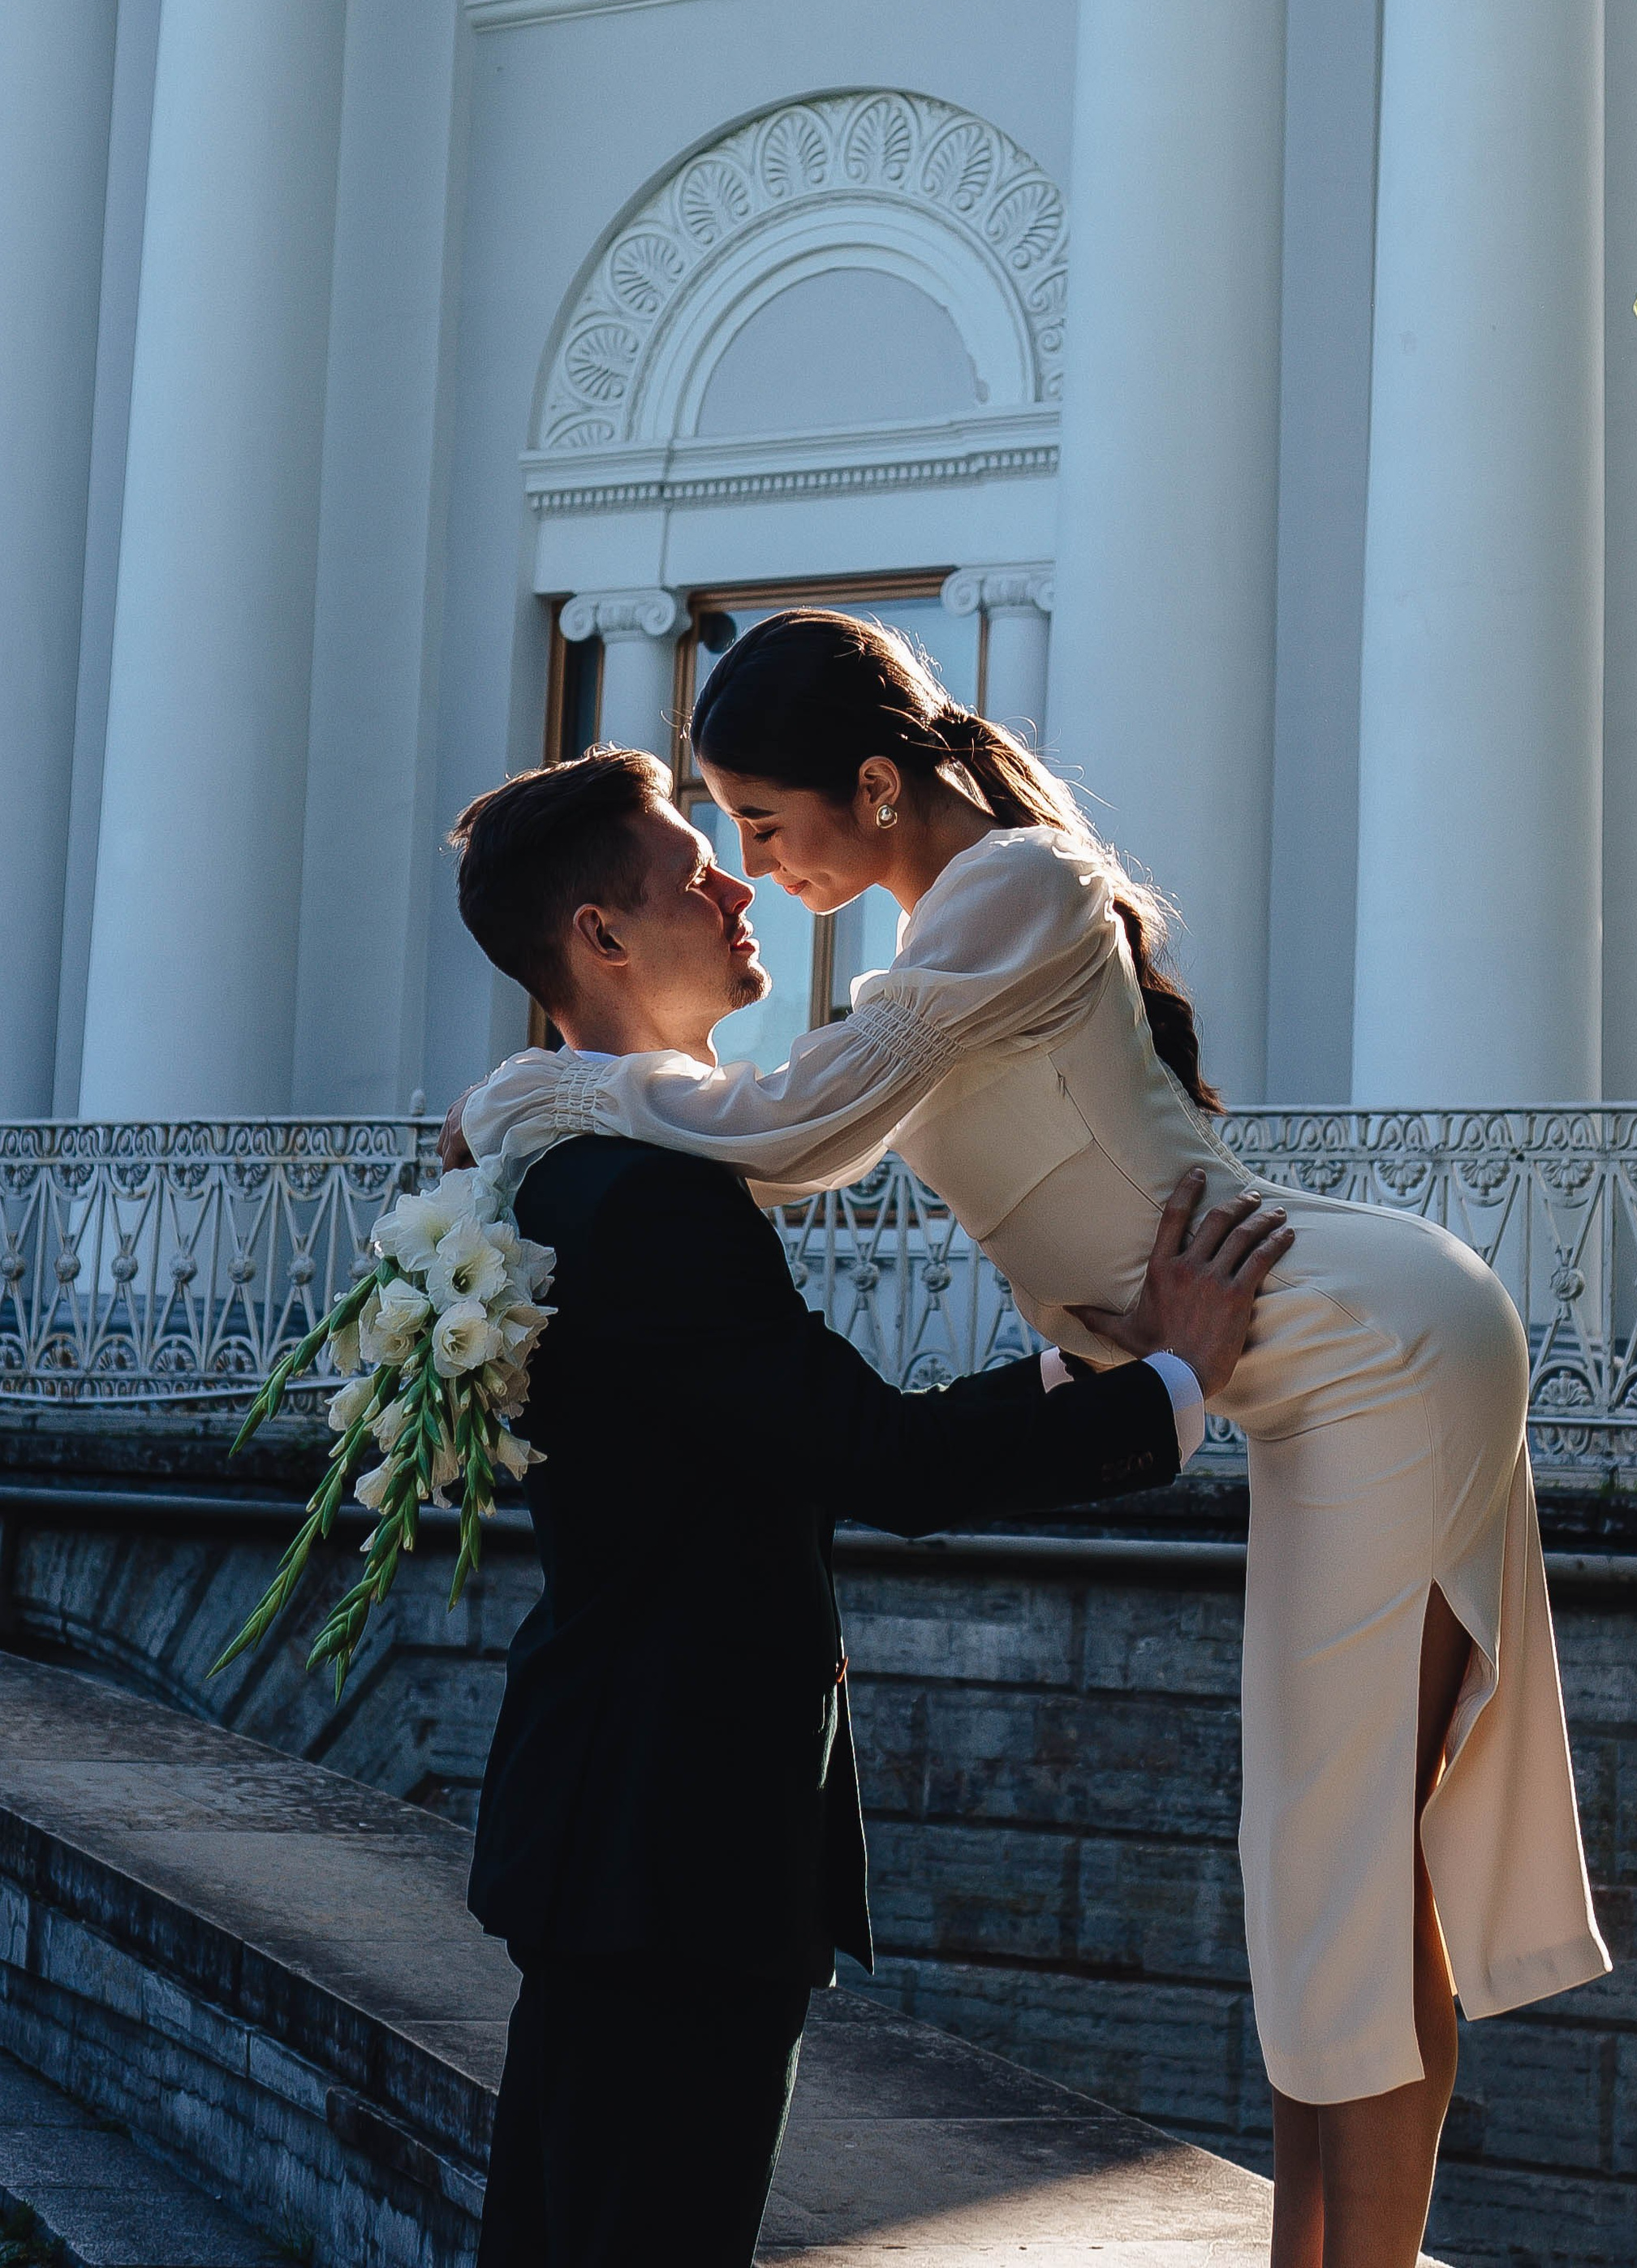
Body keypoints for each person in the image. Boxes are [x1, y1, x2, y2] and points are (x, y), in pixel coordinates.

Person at [459, 610, 1612, 2268]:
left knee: (1340, 1873)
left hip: (1361, 1345)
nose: (756, 867)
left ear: (872, 782)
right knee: (1314, 1873)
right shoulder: (939, 925)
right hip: (1298, 1361)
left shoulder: (1012, 883)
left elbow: (783, 1133)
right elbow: (800, 1145)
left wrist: (539, 1095)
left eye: (766, 826)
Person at [447, 744, 1291, 2268]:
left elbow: (782, 1432)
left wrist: (1067, 1375)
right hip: (677, 1845)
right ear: (604, 939)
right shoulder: (648, 1198)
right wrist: (1166, 1384)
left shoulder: (567, 1161)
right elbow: (873, 1462)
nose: (740, 880)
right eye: (693, 869)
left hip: (621, 1821)